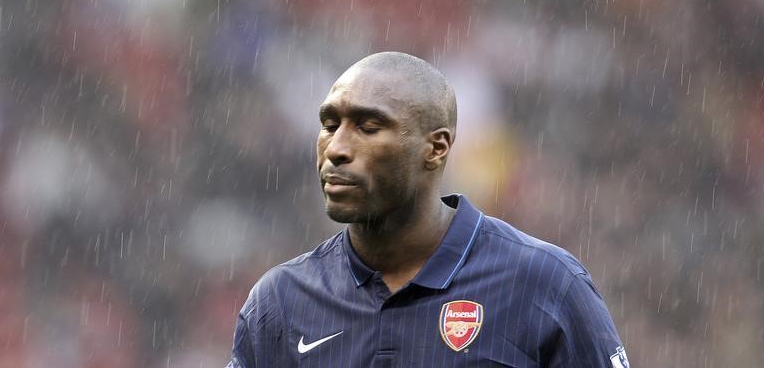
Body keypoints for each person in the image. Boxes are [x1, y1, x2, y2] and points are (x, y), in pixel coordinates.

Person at [227, 52, 629, 367]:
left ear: (435, 148)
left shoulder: (544, 284)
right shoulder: (280, 303)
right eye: (330, 125)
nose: (336, 149)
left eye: (368, 127)